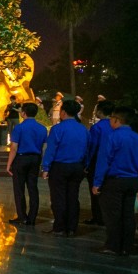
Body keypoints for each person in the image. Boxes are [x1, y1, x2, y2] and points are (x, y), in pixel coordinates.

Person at [91, 108, 138, 256]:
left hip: (114, 181)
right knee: (128, 214)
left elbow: (104, 161)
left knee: (112, 215)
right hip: (132, 180)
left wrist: (97, 182)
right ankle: (127, 245)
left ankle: (113, 245)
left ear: (117, 120)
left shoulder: (112, 137)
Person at [40, 99, 88, 237]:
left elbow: (51, 150)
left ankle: (60, 227)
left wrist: (45, 167)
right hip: (77, 167)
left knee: (58, 197)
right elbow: (87, 149)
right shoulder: (83, 129)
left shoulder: (58, 129)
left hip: (60, 167)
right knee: (73, 197)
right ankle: (72, 227)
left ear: (63, 112)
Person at [5, 102, 47, 226]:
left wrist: (9, 164)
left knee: (19, 188)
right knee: (33, 188)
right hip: (35, 159)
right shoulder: (42, 128)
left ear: (23, 113)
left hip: (21, 159)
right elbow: (44, 147)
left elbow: (14, 147)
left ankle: (22, 216)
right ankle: (32, 217)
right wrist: (44, 164)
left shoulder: (19, 128)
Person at [83, 100, 115, 226]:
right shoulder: (115, 125)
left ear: (100, 112)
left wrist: (87, 163)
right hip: (113, 161)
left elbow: (93, 146)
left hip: (97, 161)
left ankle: (98, 216)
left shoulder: (97, 127)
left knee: (96, 191)